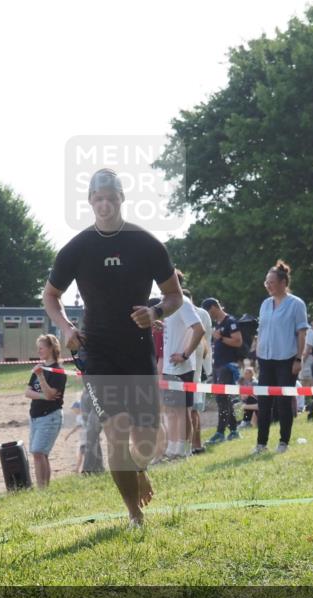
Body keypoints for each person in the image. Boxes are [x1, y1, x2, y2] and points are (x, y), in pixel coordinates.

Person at [42, 168, 183, 529]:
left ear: (121, 199)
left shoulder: (146, 243)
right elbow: (51, 296)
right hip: (98, 352)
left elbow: (174, 296)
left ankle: (139, 468)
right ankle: (135, 514)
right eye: (98, 199)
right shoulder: (77, 247)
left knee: (148, 440)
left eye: (110, 198)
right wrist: (66, 328)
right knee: (117, 432)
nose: (104, 205)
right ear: (90, 202)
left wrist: (154, 312)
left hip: (137, 350)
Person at [253, 260, 309, 454]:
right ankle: (261, 444)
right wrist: (258, 353)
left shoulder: (296, 304)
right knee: (263, 403)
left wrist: (299, 359)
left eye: (272, 282)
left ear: (283, 282)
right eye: (266, 282)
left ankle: (283, 442)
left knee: (284, 403)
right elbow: (261, 331)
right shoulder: (265, 304)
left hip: (287, 359)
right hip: (265, 359)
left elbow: (302, 333)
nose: (268, 286)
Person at [160, 279, 205, 460]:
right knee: (171, 410)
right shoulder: (168, 303)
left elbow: (199, 329)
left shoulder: (183, 303)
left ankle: (183, 450)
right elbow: (178, 328)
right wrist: (163, 326)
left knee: (181, 411)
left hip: (181, 367)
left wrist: (185, 355)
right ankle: (172, 449)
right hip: (169, 366)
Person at [26, 334, 66, 487]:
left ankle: (41, 489)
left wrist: (40, 376)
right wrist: (43, 396)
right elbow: (27, 392)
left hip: (50, 416)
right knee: (40, 454)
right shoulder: (39, 368)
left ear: (51, 348)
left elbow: (51, 394)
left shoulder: (58, 371)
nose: (38, 351)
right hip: (35, 416)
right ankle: (44, 489)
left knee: (38, 452)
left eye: (41, 348)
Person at [201, 298, 243, 444]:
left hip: (227, 365)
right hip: (218, 366)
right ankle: (233, 430)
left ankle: (220, 432)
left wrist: (221, 338)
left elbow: (238, 341)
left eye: (208, 312)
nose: (209, 315)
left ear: (214, 307)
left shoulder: (230, 321)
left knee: (222, 398)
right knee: (223, 398)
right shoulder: (217, 324)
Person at [190, 297, 213, 455]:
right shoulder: (202, 313)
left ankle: (196, 444)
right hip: (197, 364)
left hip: (196, 365)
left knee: (193, 409)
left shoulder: (201, 313)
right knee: (192, 409)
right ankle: (195, 444)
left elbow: (205, 339)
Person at [63, 402, 86, 472]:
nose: (73, 411)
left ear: (78, 408)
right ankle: (77, 469)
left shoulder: (82, 416)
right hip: (83, 438)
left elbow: (78, 426)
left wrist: (69, 434)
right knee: (81, 454)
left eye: (74, 409)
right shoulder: (79, 416)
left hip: (86, 439)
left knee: (83, 454)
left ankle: (82, 468)